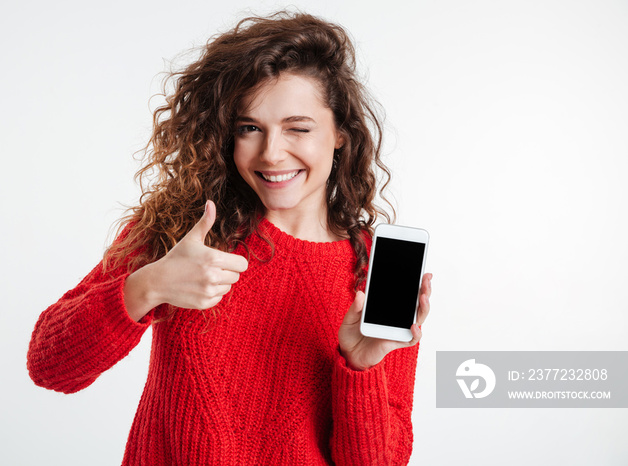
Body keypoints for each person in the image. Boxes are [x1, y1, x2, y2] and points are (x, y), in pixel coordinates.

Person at [27, 11, 433, 465]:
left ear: (340, 133)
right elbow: (50, 366)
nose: (272, 153)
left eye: (298, 128)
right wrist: (148, 285)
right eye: (249, 128)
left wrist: (361, 368)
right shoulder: (185, 230)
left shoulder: (373, 271)